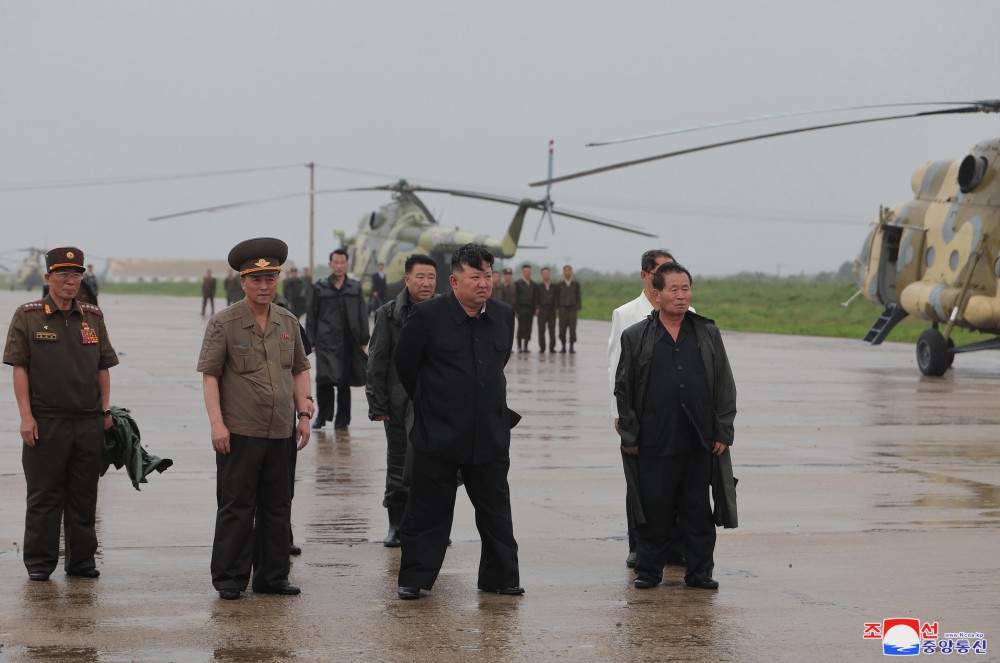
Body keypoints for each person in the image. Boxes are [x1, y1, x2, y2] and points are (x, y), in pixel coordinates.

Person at [393, 243, 522, 600]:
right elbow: (406, 365)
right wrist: (432, 404)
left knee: (496, 510)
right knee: (427, 511)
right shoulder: (429, 316)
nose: (484, 283)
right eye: (475, 276)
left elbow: (498, 364)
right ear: (454, 280)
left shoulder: (503, 315)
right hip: (439, 432)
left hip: (490, 432)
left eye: (488, 275)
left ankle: (500, 577)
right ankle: (415, 578)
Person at [197, 237, 313, 601]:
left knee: (278, 507)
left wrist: (305, 413)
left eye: (270, 279)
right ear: (243, 282)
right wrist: (217, 423)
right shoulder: (224, 323)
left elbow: (300, 369)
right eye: (256, 280)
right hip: (240, 432)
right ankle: (230, 578)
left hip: (281, 432)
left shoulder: (288, 321)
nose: (264, 287)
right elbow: (210, 376)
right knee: (237, 506)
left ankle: (272, 577)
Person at [614, 261, 736, 590]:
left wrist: (723, 430)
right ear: (657, 295)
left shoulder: (706, 332)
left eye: (686, 289)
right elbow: (623, 389)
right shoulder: (636, 336)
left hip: (698, 440)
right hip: (655, 439)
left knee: (698, 511)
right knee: (654, 510)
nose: (681, 296)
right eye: (673, 290)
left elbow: (724, 382)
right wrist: (629, 433)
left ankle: (699, 573)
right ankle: (649, 571)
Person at [3, 246, 118, 581]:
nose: (71, 281)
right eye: (63, 274)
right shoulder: (29, 315)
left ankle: (81, 561)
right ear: (48, 277)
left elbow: (103, 366)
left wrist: (105, 410)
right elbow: (20, 368)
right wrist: (26, 416)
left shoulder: (92, 317)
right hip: (46, 421)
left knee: (84, 495)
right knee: (44, 496)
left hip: (87, 421)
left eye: (76, 274)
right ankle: (40, 564)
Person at [608, 249, 677, 569]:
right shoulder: (625, 313)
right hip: (637, 412)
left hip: (675, 414)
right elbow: (614, 368)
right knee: (638, 481)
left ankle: (676, 546)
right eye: (660, 271)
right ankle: (638, 545)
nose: (667, 277)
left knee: (676, 482)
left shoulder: (686, 310)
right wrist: (618, 413)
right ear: (645, 276)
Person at [365, 254, 438, 547]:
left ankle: (432, 525)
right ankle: (396, 525)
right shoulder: (389, 313)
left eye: (431, 277)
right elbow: (377, 361)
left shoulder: (445, 310)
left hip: (436, 403)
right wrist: (377, 404)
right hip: (398, 403)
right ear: (407, 279)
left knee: (435, 468)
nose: (426, 283)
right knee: (398, 465)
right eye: (420, 277)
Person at [308, 249, 369, 432]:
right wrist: (311, 340)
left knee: (344, 382)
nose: (339, 265)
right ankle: (322, 416)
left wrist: (363, 338)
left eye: (342, 262)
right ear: (330, 264)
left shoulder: (354, 287)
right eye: (336, 262)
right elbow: (312, 315)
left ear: (347, 264)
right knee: (324, 380)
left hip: (348, 341)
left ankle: (342, 419)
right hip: (325, 341)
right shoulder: (320, 288)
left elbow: (362, 314)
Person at [555, 264, 581, 353]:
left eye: (569, 271)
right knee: (562, 328)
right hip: (562, 309)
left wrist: (578, 306)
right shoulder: (560, 284)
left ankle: (571, 346)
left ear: (571, 272)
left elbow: (578, 296)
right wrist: (557, 308)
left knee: (572, 328)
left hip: (572, 309)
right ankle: (563, 346)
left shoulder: (575, 284)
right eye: (566, 271)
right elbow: (556, 297)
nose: (567, 273)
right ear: (563, 272)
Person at [513, 264, 536, 353]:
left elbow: (535, 297)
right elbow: (515, 297)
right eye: (526, 271)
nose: (527, 273)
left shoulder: (533, 284)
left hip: (530, 309)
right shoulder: (518, 283)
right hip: (521, 308)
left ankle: (526, 346)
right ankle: (519, 346)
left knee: (528, 327)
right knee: (521, 327)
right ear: (522, 272)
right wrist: (516, 310)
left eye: (529, 271)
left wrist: (535, 308)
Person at [535, 267, 557, 353]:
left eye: (547, 273)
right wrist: (537, 308)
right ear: (542, 274)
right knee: (541, 329)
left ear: (550, 274)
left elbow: (557, 298)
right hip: (542, 310)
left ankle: (552, 347)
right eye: (544, 273)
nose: (546, 275)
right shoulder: (538, 286)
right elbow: (536, 298)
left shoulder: (554, 286)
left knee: (552, 329)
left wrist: (557, 308)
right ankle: (542, 347)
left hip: (552, 310)